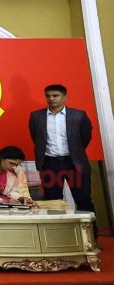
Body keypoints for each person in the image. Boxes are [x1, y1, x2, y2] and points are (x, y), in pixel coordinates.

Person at [29, 84, 94, 212]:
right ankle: (58, 226)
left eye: (55, 95)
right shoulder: (36, 116)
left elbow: (85, 137)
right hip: (49, 163)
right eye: (48, 96)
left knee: (83, 199)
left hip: (74, 163)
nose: (51, 99)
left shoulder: (78, 115)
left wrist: (75, 152)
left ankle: (90, 226)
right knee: (53, 202)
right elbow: (36, 138)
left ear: (65, 97)